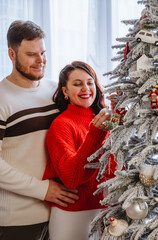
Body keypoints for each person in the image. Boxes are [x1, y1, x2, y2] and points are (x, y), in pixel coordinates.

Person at [0, 20, 79, 240]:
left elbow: (82, 123)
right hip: (18, 221)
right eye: (31, 54)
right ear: (12, 54)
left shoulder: (56, 92)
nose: (40, 61)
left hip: (60, 214)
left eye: (43, 52)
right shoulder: (1, 98)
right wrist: (42, 190)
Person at [43, 61, 116, 240]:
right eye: (77, 84)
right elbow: (72, 178)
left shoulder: (104, 119)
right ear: (65, 91)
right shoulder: (61, 124)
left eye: (90, 82)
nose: (86, 88)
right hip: (73, 216)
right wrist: (95, 134)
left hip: (108, 211)